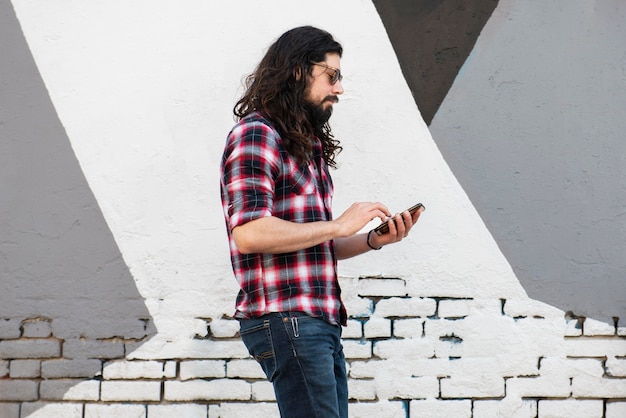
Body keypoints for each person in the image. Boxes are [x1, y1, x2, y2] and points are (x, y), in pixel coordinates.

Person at [220, 25, 424, 418]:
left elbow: (309, 242)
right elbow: (248, 233)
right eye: (332, 76)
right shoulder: (256, 135)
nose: (339, 89)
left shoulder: (304, 145)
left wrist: (372, 240)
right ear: (298, 71)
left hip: (317, 318)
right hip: (288, 317)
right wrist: (339, 225)